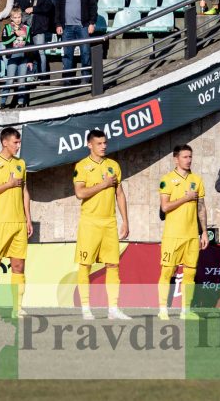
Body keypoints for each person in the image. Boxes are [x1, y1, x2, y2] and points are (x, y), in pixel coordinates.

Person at [73, 130, 131, 320]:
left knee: (113, 264)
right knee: (85, 265)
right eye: (99, 143)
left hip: (110, 223)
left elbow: (120, 194)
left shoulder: (113, 165)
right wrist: (103, 184)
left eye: (105, 143)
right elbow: (80, 193)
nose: (103, 146)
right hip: (90, 222)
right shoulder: (81, 166)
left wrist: (125, 221)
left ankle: (113, 309)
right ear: (90, 145)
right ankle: (85, 308)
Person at [0, 127, 31, 319]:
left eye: (19, 142)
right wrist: (8, 185)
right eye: (15, 142)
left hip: (18, 223)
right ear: (5, 142)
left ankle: (17, 308)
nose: (18, 146)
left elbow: (25, 191)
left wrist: (27, 217)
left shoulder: (21, 164)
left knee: (18, 266)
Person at [157, 144, 207, 321]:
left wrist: (204, 232)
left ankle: (186, 311)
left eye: (190, 157)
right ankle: (162, 309)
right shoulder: (167, 179)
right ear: (176, 159)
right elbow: (165, 206)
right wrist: (185, 198)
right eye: (185, 157)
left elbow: (201, 207)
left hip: (192, 235)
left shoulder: (197, 179)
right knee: (168, 271)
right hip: (173, 235)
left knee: (190, 273)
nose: (189, 160)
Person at [55, 0, 96, 85]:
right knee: (67, 54)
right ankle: (68, 79)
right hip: (67, 27)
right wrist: (58, 24)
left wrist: (92, 23)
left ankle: (85, 78)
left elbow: (93, 7)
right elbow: (58, 8)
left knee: (85, 52)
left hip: (83, 26)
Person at [14, 0, 54, 74]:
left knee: (40, 52)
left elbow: (48, 7)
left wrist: (34, 9)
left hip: (39, 26)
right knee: (25, 52)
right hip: (24, 26)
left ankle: (43, 76)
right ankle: (28, 75)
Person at [0, 7, 33, 108]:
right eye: (15, 17)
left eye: (19, 17)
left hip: (23, 57)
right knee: (10, 80)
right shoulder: (7, 27)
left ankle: (21, 102)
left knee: (21, 81)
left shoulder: (27, 28)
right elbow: (5, 41)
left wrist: (30, 59)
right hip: (12, 57)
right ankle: (2, 102)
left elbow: (30, 44)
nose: (18, 19)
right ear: (11, 18)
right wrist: (15, 35)